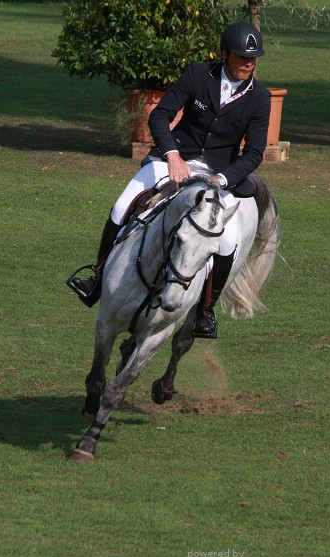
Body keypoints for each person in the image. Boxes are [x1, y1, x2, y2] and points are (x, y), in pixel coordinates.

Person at [67, 21, 271, 339]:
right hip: (174, 158)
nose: (249, 63)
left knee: (228, 240)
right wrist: (172, 155)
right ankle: (97, 277)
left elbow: (255, 153)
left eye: (253, 57)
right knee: (123, 206)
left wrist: (221, 178)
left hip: (218, 174)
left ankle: (205, 310)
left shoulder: (260, 97)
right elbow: (159, 115)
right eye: (242, 56)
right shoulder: (197, 74)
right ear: (224, 54)